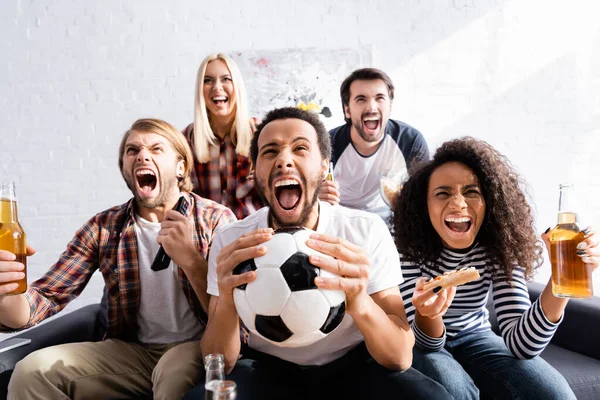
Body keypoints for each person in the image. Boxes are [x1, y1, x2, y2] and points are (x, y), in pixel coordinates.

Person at [183, 107, 452, 400]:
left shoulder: (365, 231)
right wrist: (225, 302)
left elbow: (400, 357)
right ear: (254, 170)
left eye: (300, 149)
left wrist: (360, 301)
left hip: (354, 364)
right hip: (266, 368)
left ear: (325, 166)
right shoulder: (232, 240)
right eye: (270, 152)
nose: (284, 160)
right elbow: (221, 362)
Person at [0, 119, 237, 400]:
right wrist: (7, 290)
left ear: (181, 166)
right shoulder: (104, 227)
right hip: (131, 352)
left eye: (156, 149)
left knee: (173, 375)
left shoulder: (216, 220)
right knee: (32, 372)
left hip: (195, 346)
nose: (142, 155)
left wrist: (191, 260)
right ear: (125, 169)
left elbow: (232, 315)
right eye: (132, 150)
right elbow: (45, 298)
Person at [393, 137, 599, 399]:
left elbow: (523, 345)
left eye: (472, 192)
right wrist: (430, 314)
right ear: (424, 205)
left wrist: (563, 278)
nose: (458, 204)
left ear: (490, 201)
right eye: (443, 193)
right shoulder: (404, 241)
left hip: (474, 335)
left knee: (557, 395)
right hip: (419, 340)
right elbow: (424, 342)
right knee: (457, 391)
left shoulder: (499, 244)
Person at [320, 68, 429, 220]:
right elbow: (308, 194)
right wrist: (314, 195)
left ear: (390, 106)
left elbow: (425, 196)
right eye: (361, 99)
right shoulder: (328, 143)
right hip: (342, 223)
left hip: (392, 225)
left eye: (379, 98)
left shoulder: (409, 141)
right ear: (347, 111)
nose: (371, 107)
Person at [182, 53, 264, 220]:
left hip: (257, 234)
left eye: (226, 79)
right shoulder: (187, 139)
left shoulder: (261, 133)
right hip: (209, 239)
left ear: (237, 86)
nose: (217, 87)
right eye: (208, 80)